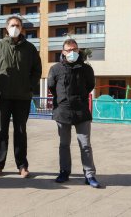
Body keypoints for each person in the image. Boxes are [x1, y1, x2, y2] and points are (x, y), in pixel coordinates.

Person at [0, 16, 42, 178]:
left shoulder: (30, 48)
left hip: (22, 97)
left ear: (22, 28)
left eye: (17, 25)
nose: (15, 27)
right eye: (12, 25)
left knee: (21, 131)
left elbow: (37, 70)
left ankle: (22, 166)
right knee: (1, 131)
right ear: (6, 28)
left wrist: (29, 86)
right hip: (2, 97)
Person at [47, 39, 100, 188]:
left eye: (74, 50)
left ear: (78, 51)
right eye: (68, 50)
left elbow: (90, 86)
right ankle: (64, 171)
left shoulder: (86, 69)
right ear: (63, 52)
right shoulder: (55, 69)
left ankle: (89, 175)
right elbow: (51, 87)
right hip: (62, 112)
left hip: (81, 112)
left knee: (85, 145)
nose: (71, 53)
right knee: (64, 144)